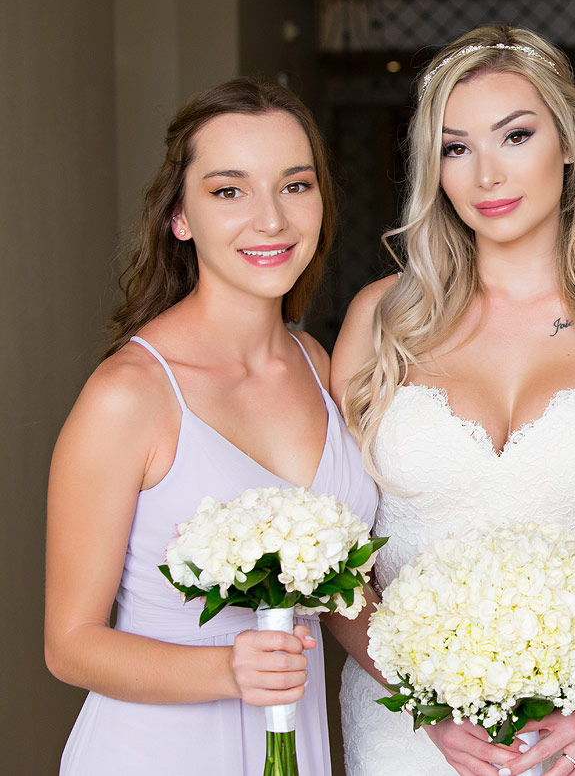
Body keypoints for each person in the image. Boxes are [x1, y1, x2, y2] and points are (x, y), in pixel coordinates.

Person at [334, 26, 575, 776]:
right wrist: (417, 699)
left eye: (516, 135)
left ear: (567, 142)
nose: (486, 174)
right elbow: (335, 556)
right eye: (456, 147)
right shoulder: (381, 319)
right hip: (413, 729)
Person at [45, 78, 379, 775]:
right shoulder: (129, 395)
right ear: (180, 217)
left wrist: (459, 689)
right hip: (157, 752)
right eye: (230, 191)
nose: (272, 220)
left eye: (295, 186)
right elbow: (69, 643)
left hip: (295, 745)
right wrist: (228, 669)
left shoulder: (316, 363)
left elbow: (345, 592)